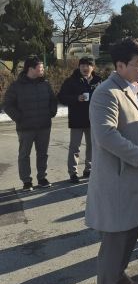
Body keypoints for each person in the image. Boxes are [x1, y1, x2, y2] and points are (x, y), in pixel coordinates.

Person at [85, 38, 138, 284]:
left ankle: (118, 276)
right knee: (115, 242)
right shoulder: (106, 93)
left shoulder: (136, 90)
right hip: (117, 181)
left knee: (131, 232)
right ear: (119, 65)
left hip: (134, 179)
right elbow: (106, 135)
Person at [3, 55, 57, 190]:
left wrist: (52, 112)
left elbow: (53, 100)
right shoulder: (16, 86)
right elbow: (7, 104)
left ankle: (42, 178)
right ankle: (26, 181)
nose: (43, 70)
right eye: (40, 68)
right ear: (31, 69)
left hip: (44, 126)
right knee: (24, 155)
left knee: (43, 154)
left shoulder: (45, 83)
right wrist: (19, 117)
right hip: (25, 127)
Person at [57, 57, 102, 183]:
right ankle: (73, 173)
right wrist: (76, 98)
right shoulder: (71, 81)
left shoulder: (98, 81)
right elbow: (61, 97)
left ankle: (89, 169)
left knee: (92, 146)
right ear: (79, 67)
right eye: (82, 65)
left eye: (88, 65)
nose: (85, 68)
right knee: (74, 147)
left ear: (93, 67)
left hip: (93, 119)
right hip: (77, 119)